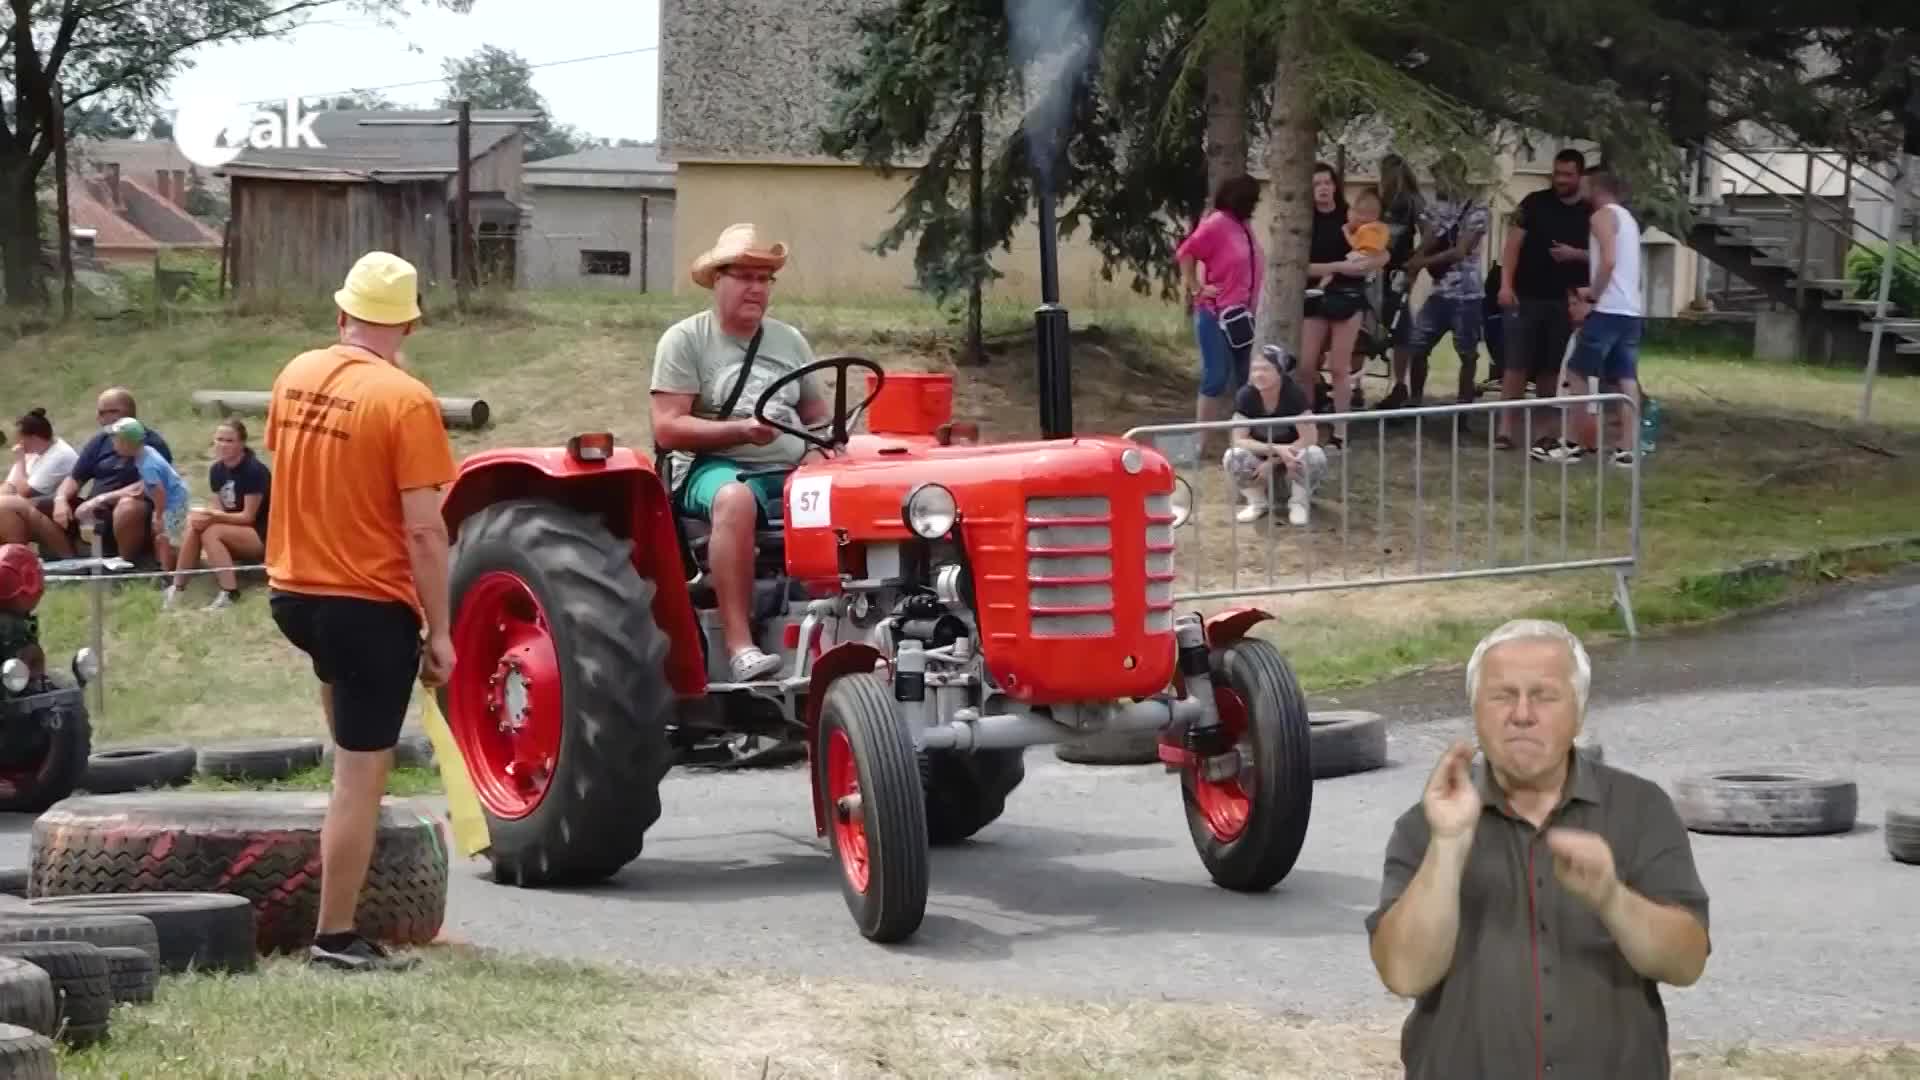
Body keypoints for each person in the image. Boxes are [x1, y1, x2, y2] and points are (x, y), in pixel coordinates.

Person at [1365, 618, 1711, 1078]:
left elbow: (1685, 964)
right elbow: (1405, 974)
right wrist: (1448, 846)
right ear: (1476, 711)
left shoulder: (1641, 810)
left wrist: (1614, 900)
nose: (1522, 713)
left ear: (1580, 712)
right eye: (1502, 695)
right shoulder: (1424, 825)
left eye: (1543, 696)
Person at [264, 250, 457, 973]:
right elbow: (424, 530)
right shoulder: (405, 399)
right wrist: (441, 632)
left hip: (294, 594)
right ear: (407, 322)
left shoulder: (294, 376)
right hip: (367, 605)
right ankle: (335, 937)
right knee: (358, 778)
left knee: (348, 755)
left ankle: (335, 899)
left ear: (342, 313)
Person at [650, 223, 832, 682]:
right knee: (735, 499)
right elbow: (668, 428)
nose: (756, 287)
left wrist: (824, 454)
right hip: (714, 469)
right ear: (718, 280)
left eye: (764, 278)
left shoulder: (790, 340)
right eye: (744, 276)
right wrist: (741, 431)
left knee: (847, 491)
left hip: (788, 469)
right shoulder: (686, 340)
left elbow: (819, 419)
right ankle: (740, 645)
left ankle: (838, 624)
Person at [1539, 167, 1644, 468]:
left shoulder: (1600, 216)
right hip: (1629, 310)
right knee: (1626, 378)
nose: (1579, 186)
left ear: (1596, 187)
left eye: (1584, 182)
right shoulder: (1628, 219)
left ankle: (1572, 444)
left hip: (1608, 310)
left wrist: (1593, 298)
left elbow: (1609, 261)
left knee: (1576, 372)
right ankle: (1627, 449)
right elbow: (1621, 264)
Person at [1497, 149, 1592, 452]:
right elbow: (1512, 245)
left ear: (1580, 176)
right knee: (1516, 365)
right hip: (1526, 295)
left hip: (1566, 300)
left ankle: (1544, 433)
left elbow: (1605, 256)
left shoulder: (1590, 212)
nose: (1561, 180)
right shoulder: (1533, 203)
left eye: (1567, 175)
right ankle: (1505, 430)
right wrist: (1505, 285)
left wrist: (1575, 255)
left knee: (1551, 369)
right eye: (1557, 173)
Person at [1300, 163, 1388, 447]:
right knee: (1306, 364)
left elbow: (1379, 253)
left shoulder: (1350, 216)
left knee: (1340, 366)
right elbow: (1300, 266)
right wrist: (1337, 266)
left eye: (1327, 182)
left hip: (1347, 298)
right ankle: (1307, 428)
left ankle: (1340, 432)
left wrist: (1372, 262)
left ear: (1335, 186)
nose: (1323, 189)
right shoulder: (1303, 221)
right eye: (1316, 184)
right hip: (1314, 297)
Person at [1177, 175, 1265, 454]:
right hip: (1216, 313)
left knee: (1245, 377)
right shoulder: (1216, 224)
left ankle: (1245, 440)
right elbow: (1186, 252)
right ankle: (1200, 443)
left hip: (1243, 317)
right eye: (1252, 199)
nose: (1256, 204)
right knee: (1215, 376)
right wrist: (1196, 287)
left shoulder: (1244, 226)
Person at [1403, 153, 1492, 409]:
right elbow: (1429, 238)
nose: (1437, 184)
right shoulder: (1436, 208)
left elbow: (1461, 250)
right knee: (1418, 344)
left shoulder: (1477, 207)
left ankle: (1463, 406)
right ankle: (1415, 399)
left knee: (1467, 353)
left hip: (1467, 294)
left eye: (1440, 178)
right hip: (1440, 291)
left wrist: (1420, 263)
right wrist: (1414, 262)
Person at [48, 388, 174, 563]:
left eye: (113, 411)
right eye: (101, 413)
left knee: (128, 507)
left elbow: (148, 485)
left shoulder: (151, 443)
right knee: (36, 506)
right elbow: (75, 478)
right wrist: (60, 499)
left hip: (136, 515)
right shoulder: (99, 442)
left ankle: (126, 566)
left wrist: (102, 499)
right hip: (94, 511)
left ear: (131, 412)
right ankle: (67, 561)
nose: (105, 418)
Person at [165, 419, 272, 611]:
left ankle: (230, 592)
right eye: (219, 439)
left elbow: (248, 517)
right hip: (234, 531)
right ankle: (178, 586)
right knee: (197, 526)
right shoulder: (216, 470)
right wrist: (206, 517)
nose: (223, 445)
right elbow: (219, 510)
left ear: (241, 443)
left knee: (212, 531)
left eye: (229, 441)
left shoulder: (254, 470)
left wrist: (212, 517)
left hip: (261, 534)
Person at [1222, 346, 1328, 527]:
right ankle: (1257, 503)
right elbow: (1239, 439)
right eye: (1254, 369)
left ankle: (1299, 503)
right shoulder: (1246, 396)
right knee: (1233, 456)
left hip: (1293, 455)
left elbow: (1310, 437)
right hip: (1259, 455)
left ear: (1280, 372)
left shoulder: (1294, 395)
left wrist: (1274, 461)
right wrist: (1275, 449)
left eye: (1265, 369)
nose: (1258, 375)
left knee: (1314, 455)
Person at [1375, 154, 1428, 409]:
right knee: (1371, 322)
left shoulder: (1412, 201)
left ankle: (1400, 385)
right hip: (1374, 269)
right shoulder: (1379, 200)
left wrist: (1414, 263)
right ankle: (1357, 385)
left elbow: (1430, 234)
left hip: (1397, 271)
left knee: (1400, 326)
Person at [104, 417, 191, 573]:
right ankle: (164, 566)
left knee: (164, 537)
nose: (113, 444)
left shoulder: (148, 465)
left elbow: (160, 492)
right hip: (175, 496)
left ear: (127, 443)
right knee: (164, 536)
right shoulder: (147, 452)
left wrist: (158, 516)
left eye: (116, 440)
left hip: (173, 503)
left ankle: (168, 571)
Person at [0, 409, 79, 553]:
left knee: (5, 508)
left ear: (34, 438)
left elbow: (24, 492)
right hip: (33, 506)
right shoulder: (35, 453)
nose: (17, 444)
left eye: (20, 439)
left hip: (55, 508)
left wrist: (20, 461)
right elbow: (9, 485)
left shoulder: (59, 455)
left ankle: (19, 561)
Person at [1311, 187, 1389, 295]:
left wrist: (1346, 232)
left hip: (1361, 258)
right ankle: (1321, 286)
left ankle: (1321, 286)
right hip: (1368, 261)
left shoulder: (1365, 230)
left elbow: (1356, 244)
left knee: (1335, 269)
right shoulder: (1381, 227)